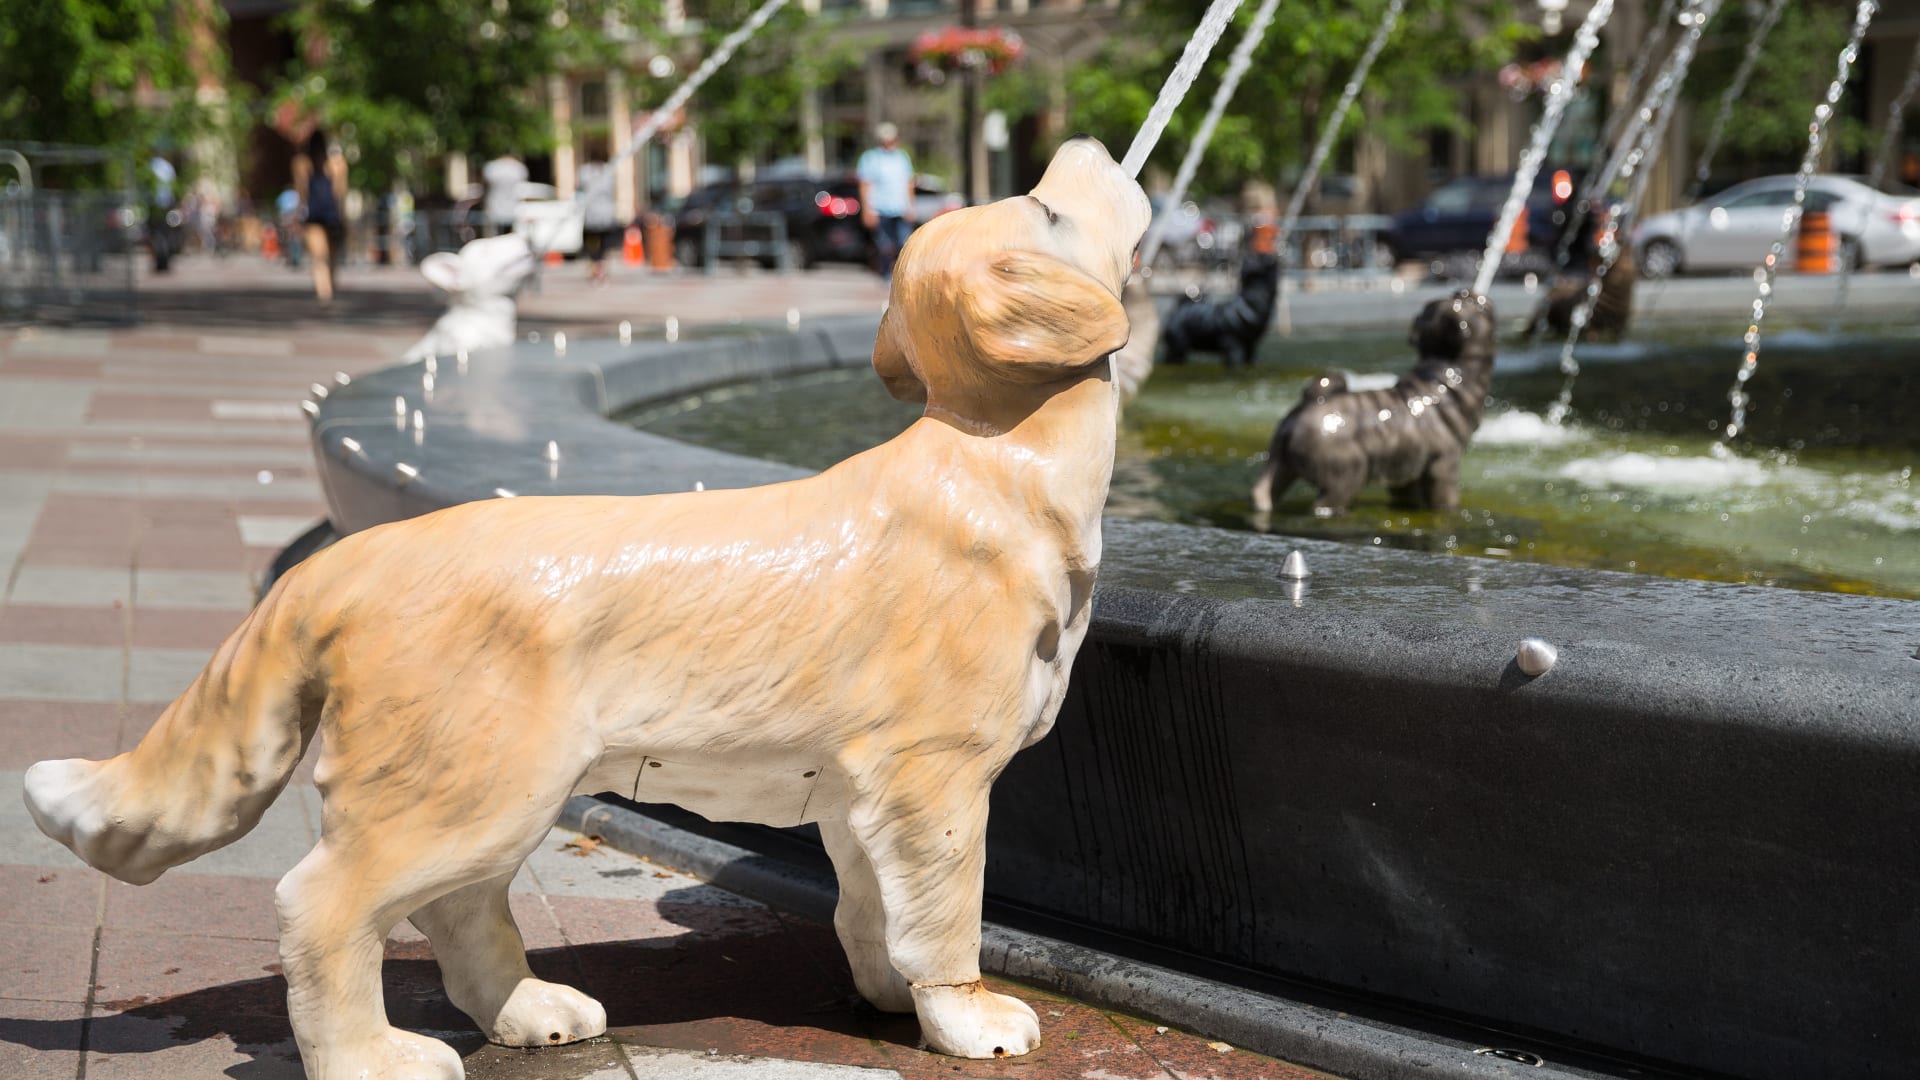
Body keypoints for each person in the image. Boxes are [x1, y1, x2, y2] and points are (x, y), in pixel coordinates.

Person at [293, 130, 348, 304]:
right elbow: (340, 192)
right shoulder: (338, 164)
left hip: (314, 213)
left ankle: (324, 293)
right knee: (331, 255)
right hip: (332, 213)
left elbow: (302, 192)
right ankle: (329, 288)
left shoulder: (301, 164)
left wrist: (298, 213)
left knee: (319, 257)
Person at [857, 122, 916, 280]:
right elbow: (865, 185)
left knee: (905, 243)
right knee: (884, 245)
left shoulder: (902, 157)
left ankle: (903, 274)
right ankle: (886, 274)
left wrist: (910, 206)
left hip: (900, 207)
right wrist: (867, 210)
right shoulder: (870, 158)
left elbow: (908, 183)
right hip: (881, 208)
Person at [575, 159, 617, 286]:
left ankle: (598, 269)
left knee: (594, 244)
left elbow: (579, 188)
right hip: (604, 215)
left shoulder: (585, 172)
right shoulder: (608, 172)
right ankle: (600, 270)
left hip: (593, 216)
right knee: (602, 245)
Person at [483, 151, 528, 236]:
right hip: (510, 208)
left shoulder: (492, 168)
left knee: (497, 235)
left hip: (496, 208)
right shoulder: (518, 168)